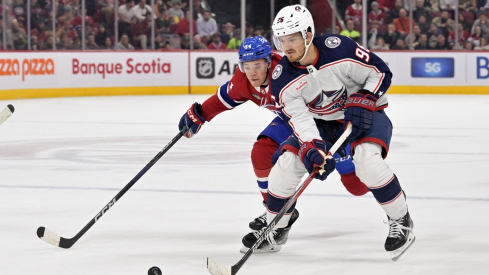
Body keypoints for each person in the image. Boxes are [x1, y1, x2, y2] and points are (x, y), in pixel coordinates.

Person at [241, 4, 415, 261]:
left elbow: (380, 72)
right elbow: (299, 119)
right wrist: (312, 147)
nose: (286, 46)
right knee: (286, 165)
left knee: (367, 161)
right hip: (322, 124)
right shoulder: (282, 78)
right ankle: (275, 229)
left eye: (292, 38)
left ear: (308, 34)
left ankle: (401, 220)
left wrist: (366, 97)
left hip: (366, 116)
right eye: (281, 39)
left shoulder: (339, 48)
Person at [178, 36, 370, 252]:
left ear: (269, 62)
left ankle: (385, 185)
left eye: (257, 66)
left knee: (356, 187)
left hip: (327, 121)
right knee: (261, 150)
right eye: (246, 66)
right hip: (292, 119)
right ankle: (278, 215)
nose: (251, 72)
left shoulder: (291, 70)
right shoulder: (243, 80)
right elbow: (223, 99)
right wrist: (200, 115)